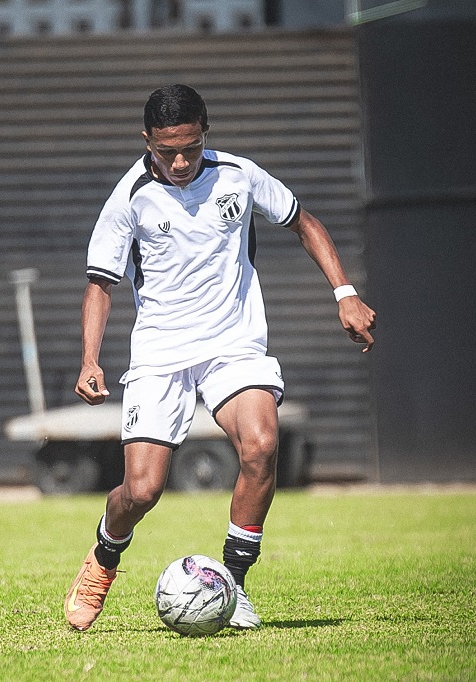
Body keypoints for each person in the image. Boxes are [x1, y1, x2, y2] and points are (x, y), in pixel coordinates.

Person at [64, 84, 376, 632]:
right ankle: (102, 560)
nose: (181, 161)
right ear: (147, 142)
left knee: (261, 444)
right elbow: (99, 284)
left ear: (205, 132)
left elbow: (303, 221)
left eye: (190, 146)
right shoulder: (129, 198)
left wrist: (344, 293)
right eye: (167, 151)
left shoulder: (238, 174)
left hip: (233, 344)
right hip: (161, 353)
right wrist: (90, 359)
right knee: (142, 491)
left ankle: (232, 585)